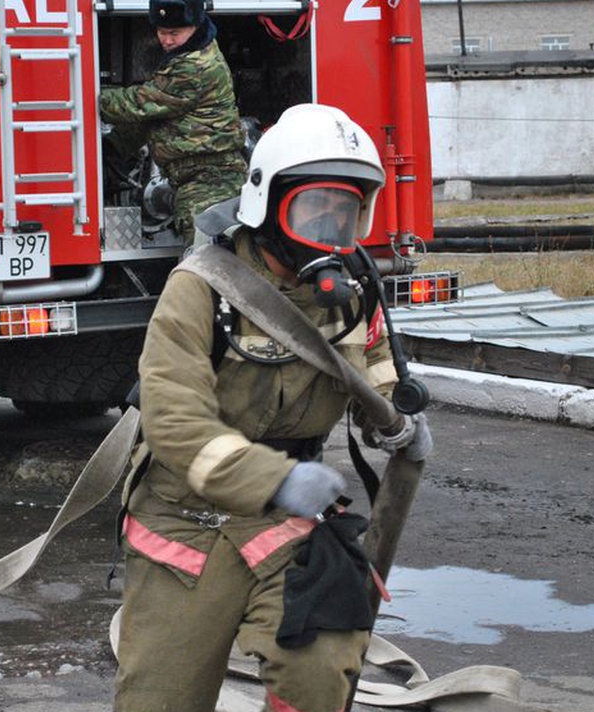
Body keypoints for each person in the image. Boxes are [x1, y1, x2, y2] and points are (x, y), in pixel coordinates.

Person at [112, 104, 433, 711]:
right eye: (316, 210)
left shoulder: (353, 294)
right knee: (159, 700)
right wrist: (278, 478)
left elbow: (376, 368)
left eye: (347, 213)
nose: (333, 231)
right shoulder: (203, 287)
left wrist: (397, 421)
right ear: (267, 203)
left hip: (290, 524)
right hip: (185, 520)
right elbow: (175, 425)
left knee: (322, 669)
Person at [98, 0, 246, 246]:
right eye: (161, 32)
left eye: (174, 33)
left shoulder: (195, 66)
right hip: (198, 177)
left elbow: (138, 103)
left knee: (207, 265)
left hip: (209, 182)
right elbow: (156, 117)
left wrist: (85, 92)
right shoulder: (190, 51)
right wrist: (114, 147)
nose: (166, 40)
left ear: (195, 26)